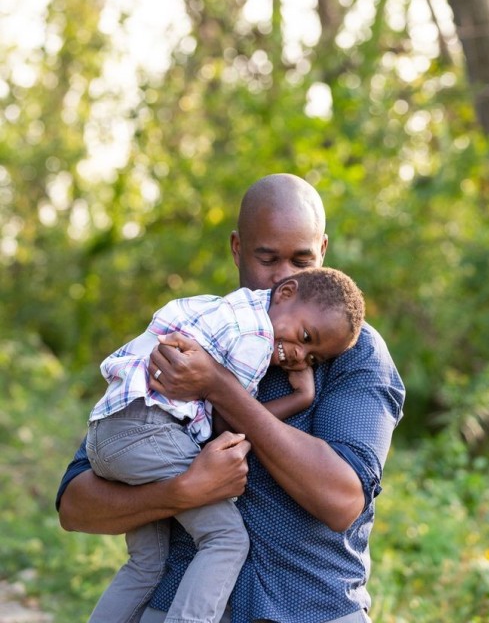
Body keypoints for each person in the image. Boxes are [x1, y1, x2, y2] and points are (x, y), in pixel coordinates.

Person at [57, 173, 405, 623]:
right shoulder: (197, 333)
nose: (284, 277)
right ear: (238, 249)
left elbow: (341, 501)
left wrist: (219, 387)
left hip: (311, 609)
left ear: (322, 252)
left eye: (301, 260)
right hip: (177, 606)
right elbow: (76, 505)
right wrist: (179, 492)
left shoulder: (354, 353)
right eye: (267, 259)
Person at [85, 268, 365, 623]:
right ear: (285, 292)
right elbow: (227, 423)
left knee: (146, 563)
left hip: (110, 430)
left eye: (312, 358)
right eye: (305, 336)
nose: (298, 355)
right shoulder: (255, 339)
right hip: (151, 433)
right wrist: (300, 397)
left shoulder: (222, 308)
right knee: (227, 539)